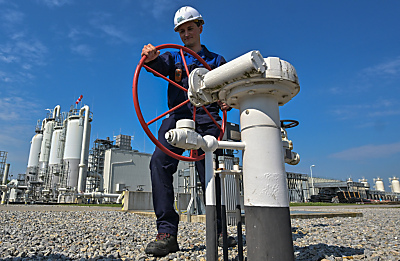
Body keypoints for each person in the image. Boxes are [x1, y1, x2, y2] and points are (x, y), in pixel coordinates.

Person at [141, 6, 236, 257]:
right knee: (159, 162)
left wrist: (228, 100)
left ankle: (218, 231)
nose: (186, 34)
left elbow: (227, 92)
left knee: (210, 172)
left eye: (190, 28)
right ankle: (167, 233)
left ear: (200, 28)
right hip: (179, 117)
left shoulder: (216, 61)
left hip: (209, 120)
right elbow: (157, 64)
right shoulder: (173, 58)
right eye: (181, 31)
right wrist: (150, 56)